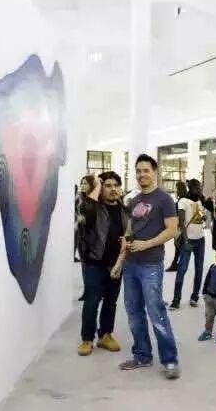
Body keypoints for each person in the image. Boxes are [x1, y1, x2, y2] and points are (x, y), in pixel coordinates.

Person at [111, 154, 180, 380]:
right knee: (133, 313)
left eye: (146, 170)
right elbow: (129, 233)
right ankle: (142, 355)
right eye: (138, 171)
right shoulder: (134, 200)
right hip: (131, 265)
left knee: (156, 312)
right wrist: (120, 261)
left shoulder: (164, 199)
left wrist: (147, 244)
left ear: (155, 172)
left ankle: (170, 360)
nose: (142, 175)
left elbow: (172, 230)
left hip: (151, 265)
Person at [76, 173, 128, 356]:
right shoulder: (93, 209)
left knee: (111, 301)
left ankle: (105, 335)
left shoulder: (124, 210)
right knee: (92, 301)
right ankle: (87, 339)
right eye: (108, 185)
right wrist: (96, 186)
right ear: (100, 188)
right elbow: (85, 209)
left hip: (116, 264)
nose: (113, 189)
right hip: (94, 262)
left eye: (116, 185)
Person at [170, 179, 207, 310]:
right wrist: (185, 241)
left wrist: (203, 216)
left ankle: (194, 297)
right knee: (182, 269)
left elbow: (201, 217)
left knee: (199, 269)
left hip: (200, 239)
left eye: (200, 187)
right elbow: (181, 223)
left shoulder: (199, 201)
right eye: (198, 187)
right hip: (188, 240)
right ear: (191, 188)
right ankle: (176, 299)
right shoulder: (183, 201)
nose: (200, 189)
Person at [166, 181, 189, 272]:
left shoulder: (180, 202)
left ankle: (176, 265)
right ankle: (175, 264)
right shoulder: (186, 200)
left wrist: (177, 230)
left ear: (179, 190)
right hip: (184, 228)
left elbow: (180, 218)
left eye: (176, 189)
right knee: (179, 247)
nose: (175, 191)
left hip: (180, 228)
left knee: (179, 246)